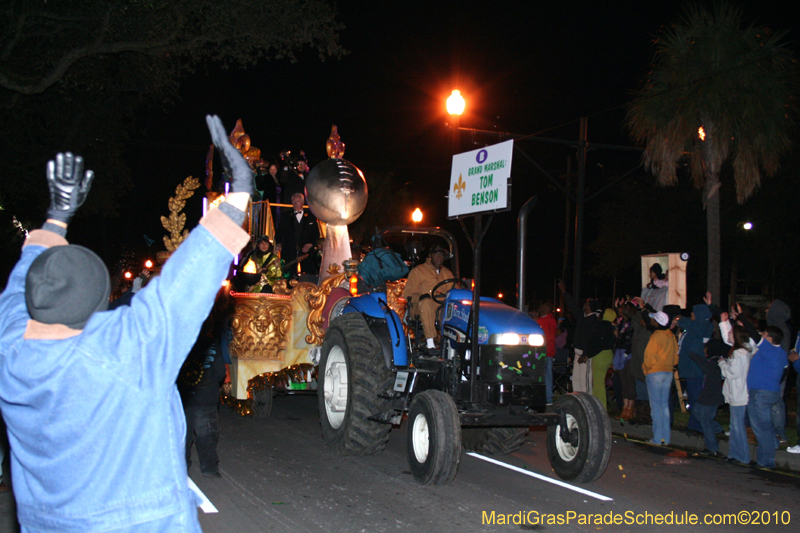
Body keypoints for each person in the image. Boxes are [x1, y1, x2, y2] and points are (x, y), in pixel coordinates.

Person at [0, 116, 251, 531]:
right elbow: (186, 283)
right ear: (100, 302)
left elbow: (15, 294)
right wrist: (239, 192)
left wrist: (55, 219)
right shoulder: (122, 350)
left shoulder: (11, 347)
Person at [179, 291, 228, 478]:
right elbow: (219, 372)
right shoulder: (212, 345)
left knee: (183, 435)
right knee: (207, 435)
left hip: (185, 396)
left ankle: (181, 467)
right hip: (206, 397)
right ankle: (209, 467)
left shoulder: (181, 344)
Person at [735, 305, 787, 469]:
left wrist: (742, 316)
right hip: (770, 392)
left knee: (761, 428)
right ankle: (772, 447)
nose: (761, 336)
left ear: (770, 338)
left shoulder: (768, 348)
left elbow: (752, 333)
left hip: (761, 394)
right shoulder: (781, 353)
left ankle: (766, 461)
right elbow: (784, 373)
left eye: (764, 335)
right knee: (765, 426)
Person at [403, 245, 455, 351]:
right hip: (420, 308)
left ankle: (452, 342)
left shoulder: (447, 274)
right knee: (426, 302)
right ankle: (430, 342)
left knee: (453, 307)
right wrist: (421, 297)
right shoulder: (418, 271)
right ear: (430, 256)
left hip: (440, 307)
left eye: (441, 255)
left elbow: (455, 291)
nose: (439, 257)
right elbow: (408, 294)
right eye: (436, 255)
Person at [676, 298, 715, 436]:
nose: (691, 315)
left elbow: (693, 326)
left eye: (693, 313)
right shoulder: (694, 327)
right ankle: (694, 425)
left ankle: (705, 426)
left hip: (695, 370)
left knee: (697, 399)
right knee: (693, 399)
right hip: (690, 369)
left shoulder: (701, 328)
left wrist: (680, 320)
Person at [718, 320, 754, 464]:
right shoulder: (740, 352)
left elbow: (733, 373)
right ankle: (734, 453)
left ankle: (743, 456)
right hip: (736, 392)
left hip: (739, 393)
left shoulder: (740, 353)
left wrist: (722, 363)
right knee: (735, 425)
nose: (728, 334)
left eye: (731, 332)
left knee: (738, 426)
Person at [558, 280, 602, 394]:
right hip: (578, 352)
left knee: (585, 380)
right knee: (577, 379)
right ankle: (578, 399)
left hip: (585, 354)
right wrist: (564, 292)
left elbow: (593, 340)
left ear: (591, 308)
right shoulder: (584, 317)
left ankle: (587, 402)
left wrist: (586, 355)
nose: (584, 305)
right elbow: (572, 306)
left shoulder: (592, 321)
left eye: (587, 304)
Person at [643, 310, 678, 445]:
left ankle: (657, 438)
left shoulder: (656, 336)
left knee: (656, 407)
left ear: (657, 322)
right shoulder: (671, 336)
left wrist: (647, 370)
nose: (651, 321)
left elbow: (649, 356)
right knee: (664, 406)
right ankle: (666, 438)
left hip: (655, 372)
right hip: (668, 372)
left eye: (653, 319)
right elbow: (675, 357)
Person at [688, 338, 727, 457]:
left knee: (706, 421)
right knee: (696, 411)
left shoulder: (716, 362)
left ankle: (712, 447)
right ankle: (717, 429)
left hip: (711, 397)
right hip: (707, 396)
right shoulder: (713, 361)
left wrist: (692, 354)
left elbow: (707, 368)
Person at [275, 192, 320, 279]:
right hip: (290, 250)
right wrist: (279, 243)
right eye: (294, 202)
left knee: (307, 275)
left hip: (306, 252)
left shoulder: (311, 216)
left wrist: (310, 244)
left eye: (298, 201)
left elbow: (316, 234)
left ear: (302, 203)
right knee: (290, 275)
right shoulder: (286, 217)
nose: (295, 204)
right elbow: (279, 232)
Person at [592, 308, 617, 411]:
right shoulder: (612, 327)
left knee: (598, 382)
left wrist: (588, 354)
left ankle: (601, 407)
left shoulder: (601, 326)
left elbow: (597, 343)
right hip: (608, 354)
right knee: (599, 381)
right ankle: (596, 404)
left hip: (600, 355)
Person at [536, 303, 557, 404]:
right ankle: (546, 396)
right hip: (544, 351)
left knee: (546, 375)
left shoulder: (547, 321)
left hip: (545, 352)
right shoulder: (546, 320)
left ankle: (548, 397)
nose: (539, 307)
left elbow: (548, 337)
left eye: (542, 306)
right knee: (545, 374)